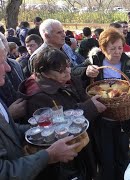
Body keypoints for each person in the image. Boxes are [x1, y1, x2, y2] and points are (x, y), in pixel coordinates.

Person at [0, 35, 81, 180]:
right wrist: (48, 156)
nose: (7, 68)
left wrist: (46, 128)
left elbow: (10, 131)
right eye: (1, 62)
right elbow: (4, 172)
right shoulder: (39, 95)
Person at [19, 47, 106, 179]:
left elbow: (80, 97)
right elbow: (55, 128)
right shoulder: (37, 97)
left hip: (83, 145)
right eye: (61, 70)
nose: (68, 71)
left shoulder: (68, 79)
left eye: (68, 66)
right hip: (66, 160)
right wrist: (90, 108)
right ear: (45, 73)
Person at [72, 28, 130, 180]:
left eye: (119, 47)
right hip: (102, 118)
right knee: (105, 156)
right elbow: (73, 72)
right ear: (103, 49)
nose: (117, 52)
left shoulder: (128, 62)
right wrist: (86, 70)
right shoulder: (95, 61)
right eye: (112, 48)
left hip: (122, 118)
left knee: (123, 153)